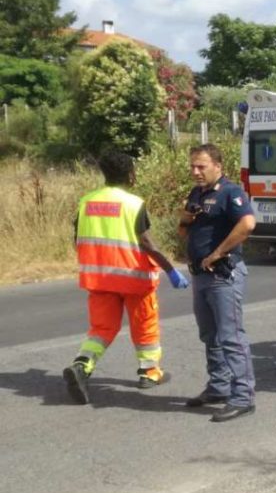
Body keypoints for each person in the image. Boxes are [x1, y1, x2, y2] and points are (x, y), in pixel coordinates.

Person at [63, 151, 190, 405]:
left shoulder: (86, 201)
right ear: (131, 175)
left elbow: (78, 238)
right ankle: (149, 373)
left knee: (101, 330)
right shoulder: (133, 204)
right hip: (133, 278)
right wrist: (170, 269)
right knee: (144, 326)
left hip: (99, 279)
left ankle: (81, 366)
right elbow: (146, 243)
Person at [179, 143, 258, 422]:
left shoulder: (231, 192)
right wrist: (186, 218)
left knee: (231, 337)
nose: (195, 171)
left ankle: (243, 397)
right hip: (200, 276)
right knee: (209, 335)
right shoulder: (197, 193)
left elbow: (247, 225)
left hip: (223, 275)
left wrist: (218, 252)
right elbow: (183, 230)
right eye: (192, 166)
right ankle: (219, 387)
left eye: (201, 166)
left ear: (217, 166)